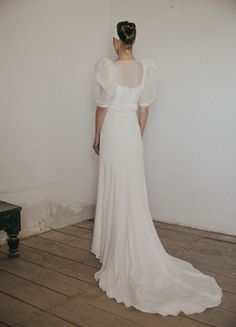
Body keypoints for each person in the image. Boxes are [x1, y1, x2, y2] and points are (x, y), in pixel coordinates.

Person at [91, 20, 222, 316]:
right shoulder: (145, 69)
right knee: (131, 190)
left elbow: (101, 107)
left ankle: (117, 252)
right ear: (132, 41)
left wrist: (97, 135)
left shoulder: (108, 69)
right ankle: (123, 247)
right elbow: (144, 109)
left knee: (114, 184)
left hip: (113, 130)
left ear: (116, 41)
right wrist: (137, 139)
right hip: (131, 133)